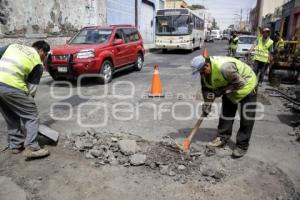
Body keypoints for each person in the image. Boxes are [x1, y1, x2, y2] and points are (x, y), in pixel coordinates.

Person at [191, 55, 257, 158]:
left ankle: (242, 145)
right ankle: (222, 138)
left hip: (247, 86)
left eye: (202, 71)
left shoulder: (225, 68)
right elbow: (207, 89)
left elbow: (240, 84)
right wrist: (207, 104)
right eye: (200, 72)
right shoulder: (204, 74)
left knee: (246, 118)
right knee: (226, 114)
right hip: (229, 86)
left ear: (207, 66)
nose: (201, 74)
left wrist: (222, 91)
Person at [0, 41, 50, 159]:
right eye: (46, 54)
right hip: (12, 86)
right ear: (41, 51)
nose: (45, 57)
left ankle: (16, 145)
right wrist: (27, 105)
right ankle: (32, 146)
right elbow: (31, 90)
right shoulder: (37, 62)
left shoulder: (12, 46)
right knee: (31, 115)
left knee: (11, 115)